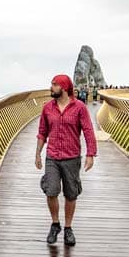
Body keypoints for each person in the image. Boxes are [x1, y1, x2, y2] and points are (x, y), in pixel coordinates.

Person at [35, 74, 97, 246]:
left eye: (54, 85)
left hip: (72, 157)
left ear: (63, 87)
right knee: (51, 191)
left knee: (71, 194)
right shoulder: (47, 108)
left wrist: (90, 154)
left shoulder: (79, 108)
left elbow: (88, 131)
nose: (51, 88)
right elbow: (42, 132)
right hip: (52, 157)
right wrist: (38, 153)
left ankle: (68, 228)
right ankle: (55, 224)